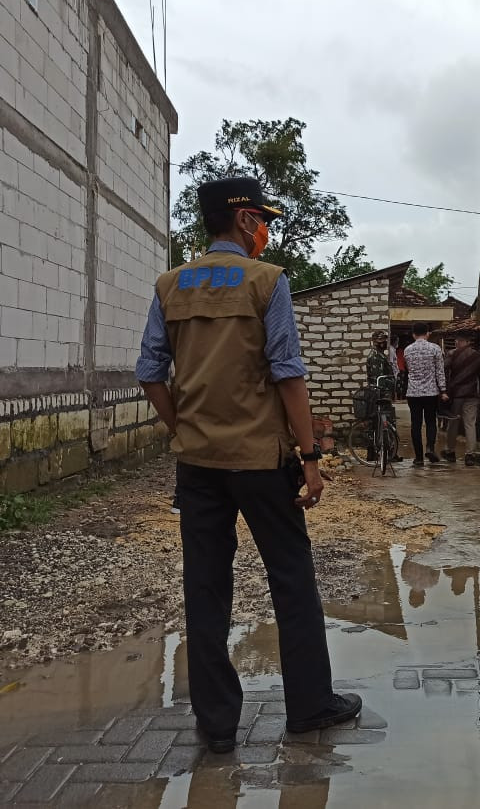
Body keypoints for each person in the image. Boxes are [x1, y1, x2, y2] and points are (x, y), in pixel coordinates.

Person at [136, 176, 361, 754]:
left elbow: (150, 373)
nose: (264, 229)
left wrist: (183, 429)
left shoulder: (169, 286)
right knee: (291, 579)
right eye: (261, 218)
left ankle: (217, 727)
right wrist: (310, 457)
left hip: (199, 465)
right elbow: (287, 371)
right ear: (242, 221)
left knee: (206, 588)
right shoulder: (268, 282)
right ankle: (310, 707)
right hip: (262, 462)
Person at [403, 322, 448, 466]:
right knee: (430, 422)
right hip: (431, 392)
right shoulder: (435, 349)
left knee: (415, 424)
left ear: (413, 334)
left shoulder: (407, 350)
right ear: (428, 333)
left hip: (413, 393)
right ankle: (430, 447)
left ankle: (418, 458)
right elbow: (440, 372)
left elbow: (409, 370)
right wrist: (443, 390)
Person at [443, 333, 480, 466]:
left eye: (460, 340)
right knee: (470, 424)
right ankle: (470, 455)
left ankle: (450, 452)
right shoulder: (479, 357)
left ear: (467, 341)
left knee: (453, 424)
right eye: (456, 340)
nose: (457, 342)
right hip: (471, 395)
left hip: (456, 395)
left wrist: (444, 390)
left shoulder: (452, 355)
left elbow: (443, 371)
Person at [365, 330, 401, 461]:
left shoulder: (379, 355)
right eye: (382, 341)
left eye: (385, 340)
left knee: (379, 424)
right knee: (385, 423)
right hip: (379, 395)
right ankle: (388, 453)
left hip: (381, 394)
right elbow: (379, 379)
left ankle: (386, 453)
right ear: (376, 342)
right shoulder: (375, 357)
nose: (384, 343)